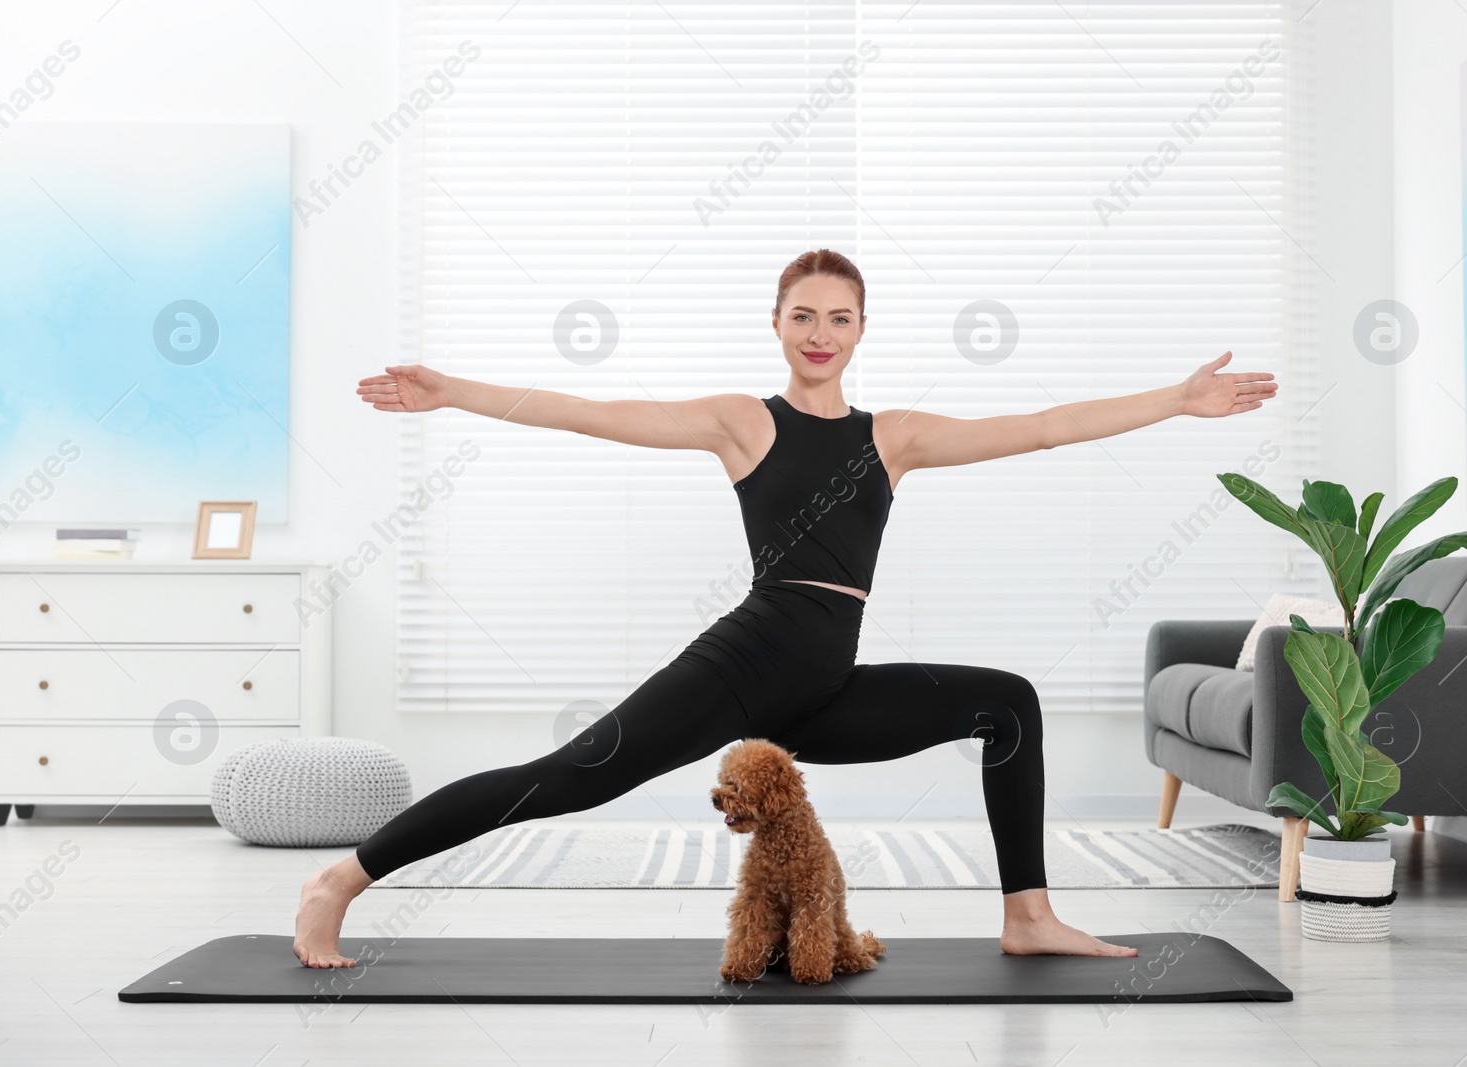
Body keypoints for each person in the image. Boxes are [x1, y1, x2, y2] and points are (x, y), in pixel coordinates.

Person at [293, 248, 1277, 968]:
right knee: (567, 779)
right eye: (802, 314)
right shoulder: (742, 421)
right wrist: (452, 391)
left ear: (860, 330)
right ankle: (342, 878)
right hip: (751, 658)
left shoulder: (893, 435)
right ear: (776, 323)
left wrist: (1175, 400)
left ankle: (1026, 912)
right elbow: (593, 413)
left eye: (839, 317)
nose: (819, 333)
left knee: (1006, 700)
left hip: (823, 684)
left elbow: (1046, 426)